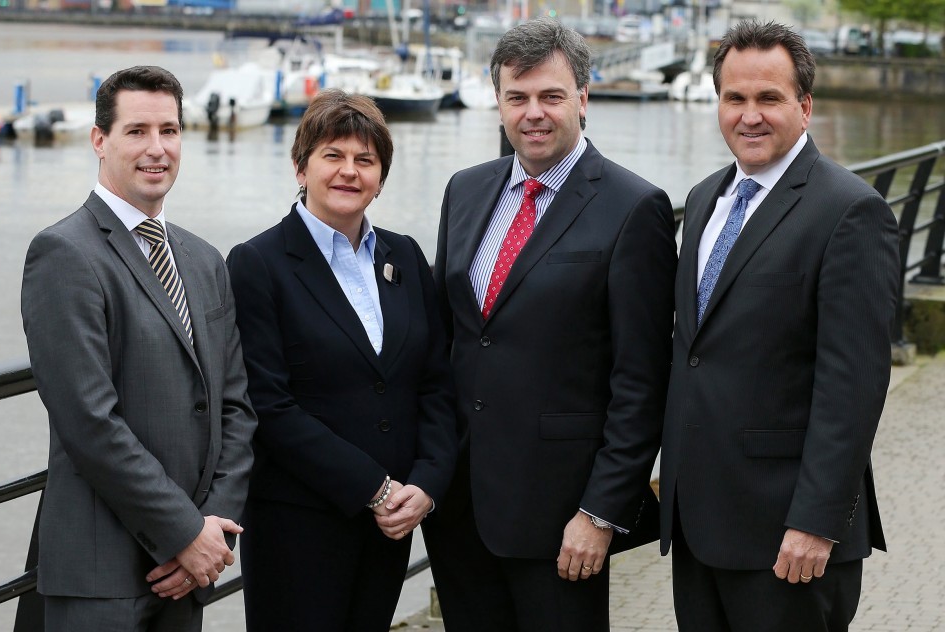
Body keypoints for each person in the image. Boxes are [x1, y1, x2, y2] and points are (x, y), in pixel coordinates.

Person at [424, 17, 677, 631]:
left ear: (583, 100)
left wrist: (602, 512)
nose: (533, 113)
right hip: (459, 508)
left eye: (551, 96)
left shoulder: (632, 207)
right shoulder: (466, 190)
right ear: (500, 103)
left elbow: (642, 378)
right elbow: (447, 341)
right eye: (518, 97)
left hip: (561, 519)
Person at [660, 20, 899, 631]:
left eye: (769, 98)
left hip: (788, 538)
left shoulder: (850, 211)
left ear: (805, 105)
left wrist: (817, 521)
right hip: (699, 526)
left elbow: (854, 387)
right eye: (734, 98)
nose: (750, 115)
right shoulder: (706, 197)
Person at [20, 65, 257, 632]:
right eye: (137, 131)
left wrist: (212, 528)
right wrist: (183, 532)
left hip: (188, 570)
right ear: (100, 140)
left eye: (170, 131)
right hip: (101, 574)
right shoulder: (64, 253)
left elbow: (235, 408)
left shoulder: (203, 261)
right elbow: (89, 421)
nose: (157, 149)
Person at [226, 89, 457, 631]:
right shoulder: (257, 264)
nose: (348, 172)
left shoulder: (403, 256)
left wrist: (425, 484)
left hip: (391, 523)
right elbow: (268, 404)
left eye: (365, 160)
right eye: (333, 156)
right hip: (298, 524)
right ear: (301, 166)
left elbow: (435, 384)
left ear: (380, 176)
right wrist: (372, 488)